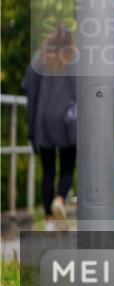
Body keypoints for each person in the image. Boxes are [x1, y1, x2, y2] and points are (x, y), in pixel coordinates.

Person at [21, 24, 78, 231]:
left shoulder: (40, 58)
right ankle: (60, 199)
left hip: (43, 121)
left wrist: (32, 129)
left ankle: (49, 220)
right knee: (67, 167)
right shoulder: (74, 58)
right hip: (67, 123)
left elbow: (29, 90)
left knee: (47, 171)